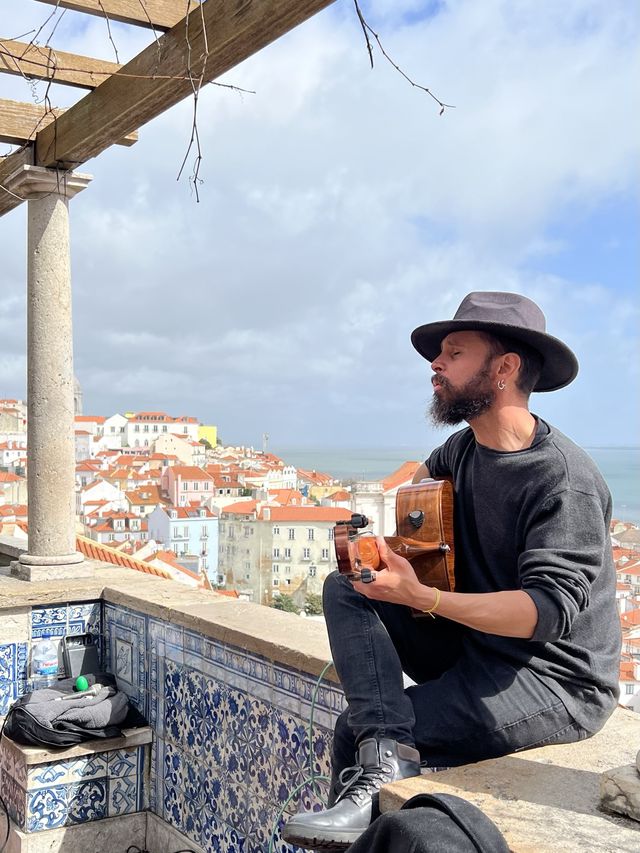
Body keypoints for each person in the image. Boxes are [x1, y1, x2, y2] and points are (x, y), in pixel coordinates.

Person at [283, 291, 621, 851]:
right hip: (476, 645)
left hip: (553, 679)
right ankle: (387, 753)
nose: (435, 365)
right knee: (350, 586)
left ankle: (381, 764)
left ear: (505, 368)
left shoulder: (564, 479)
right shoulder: (460, 451)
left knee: (353, 731)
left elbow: (544, 613)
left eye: (454, 353)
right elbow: (419, 498)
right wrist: (385, 557)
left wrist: (427, 599)